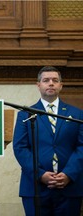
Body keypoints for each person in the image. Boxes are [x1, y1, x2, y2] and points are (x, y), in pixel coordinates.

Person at [13, 66, 83, 216]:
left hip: (69, 187)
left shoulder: (76, 114)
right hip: (36, 187)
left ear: (61, 85)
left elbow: (81, 146)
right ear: (38, 85)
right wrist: (40, 174)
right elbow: (20, 148)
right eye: (46, 80)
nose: (51, 83)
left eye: (55, 80)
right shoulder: (25, 114)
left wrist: (69, 174)